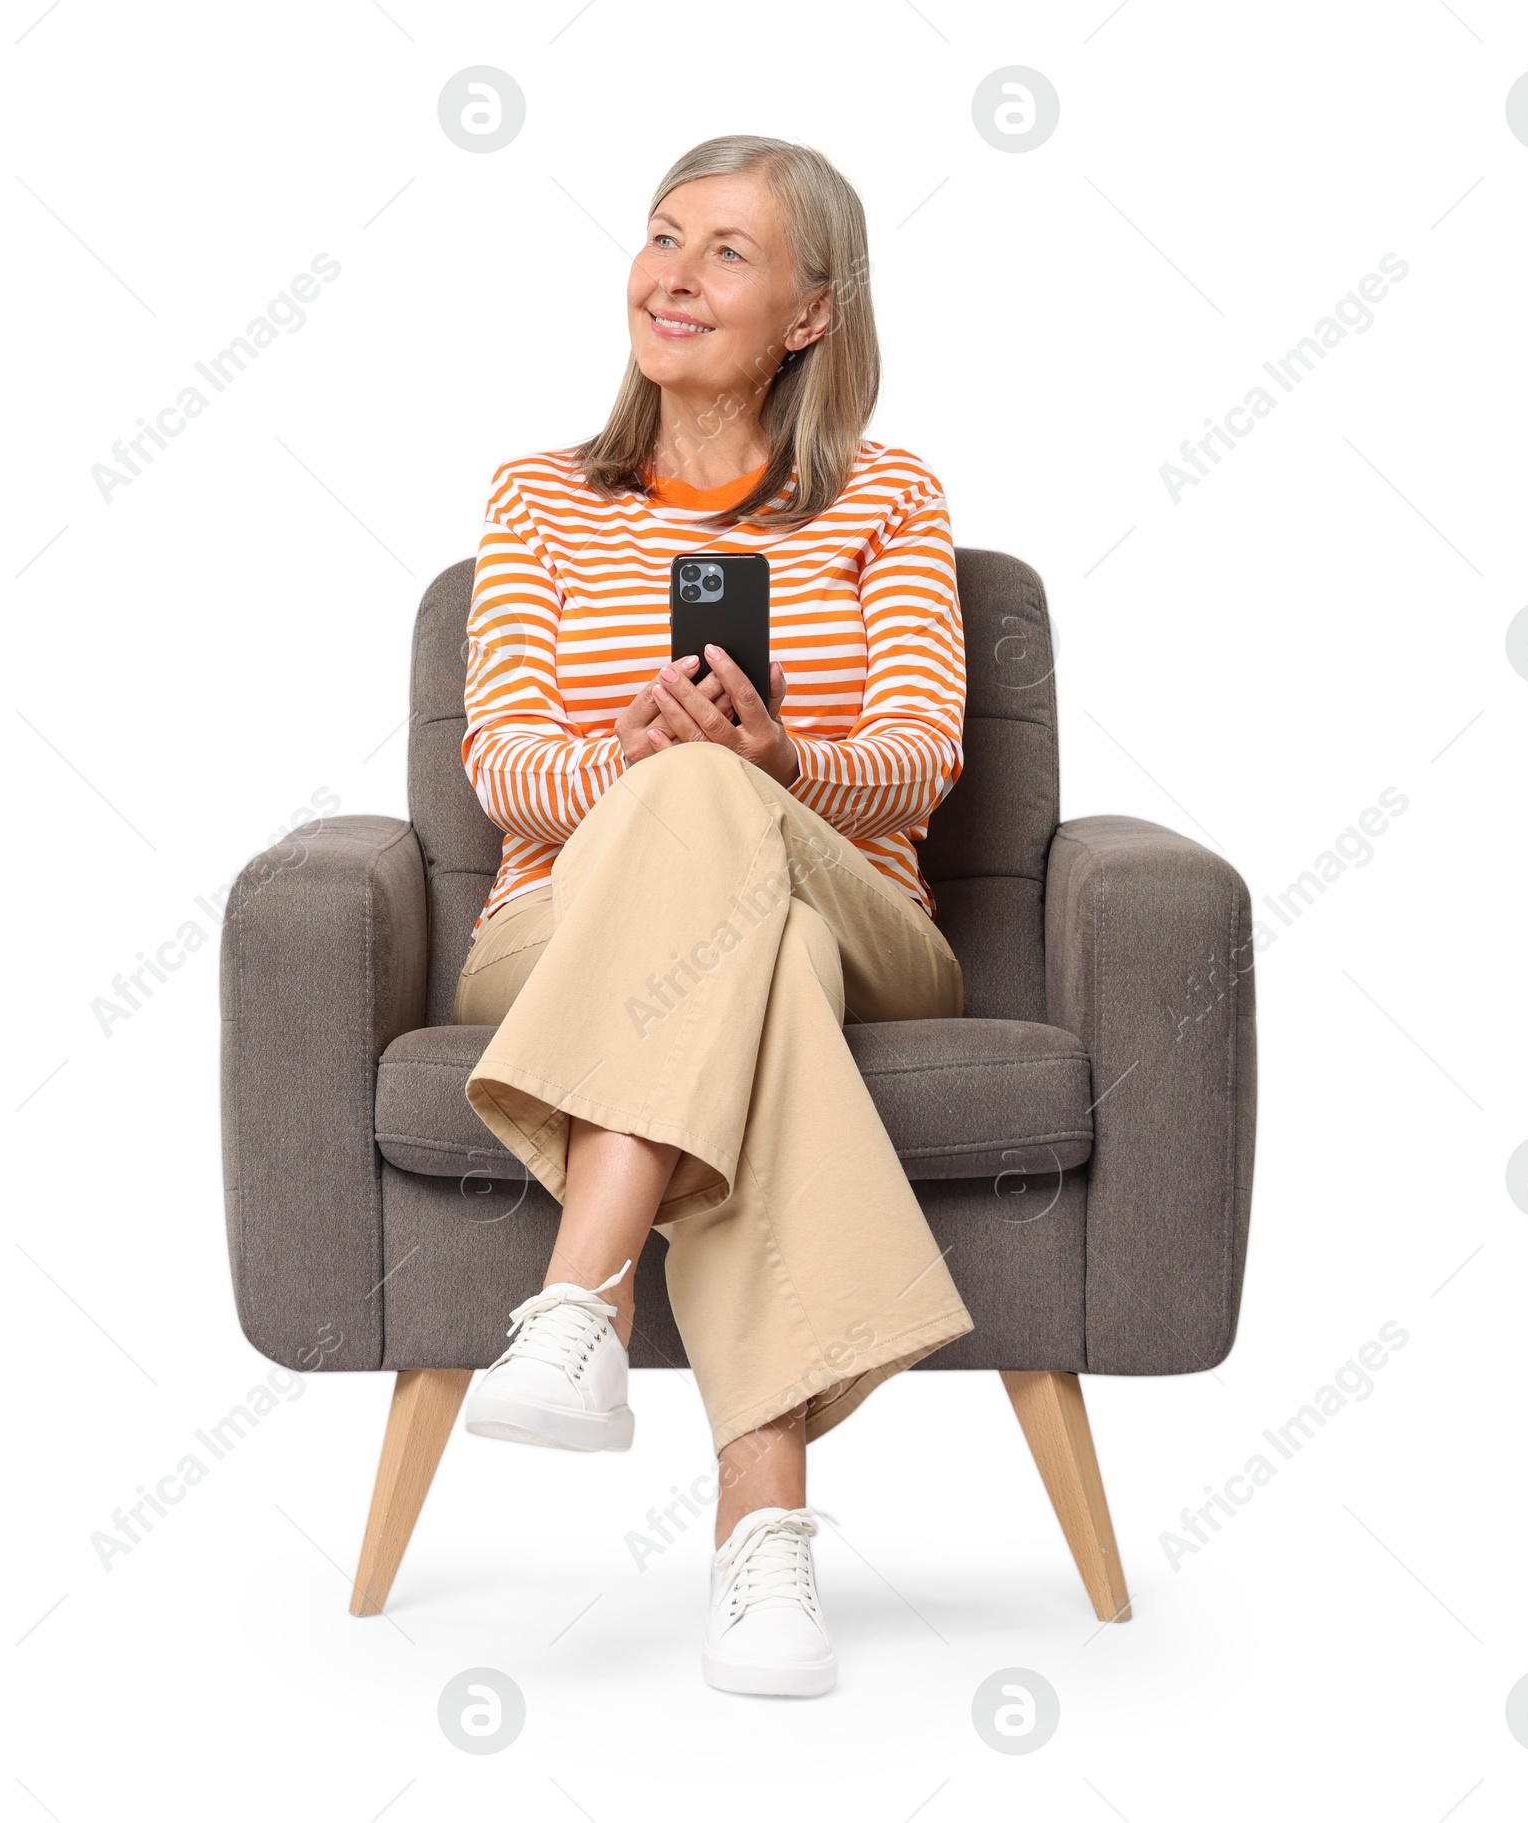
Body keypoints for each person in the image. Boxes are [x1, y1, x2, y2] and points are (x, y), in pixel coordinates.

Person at [451, 134, 973, 1698]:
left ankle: (579, 1298)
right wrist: (630, 764)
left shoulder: (889, 496)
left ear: (811, 312)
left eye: (727, 252)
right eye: (663, 236)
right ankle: (766, 1541)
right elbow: (499, 762)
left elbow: (923, 761)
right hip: (568, 929)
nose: (672, 275)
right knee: (757, 947)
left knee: (736, 831)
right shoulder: (538, 500)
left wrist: (779, 764)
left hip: (867, 916)